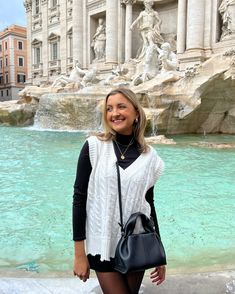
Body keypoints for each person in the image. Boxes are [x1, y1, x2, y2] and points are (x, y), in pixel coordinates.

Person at [72, 87, 166, 294]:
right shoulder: (94, 146)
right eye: (109, 109)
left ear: (136, 113)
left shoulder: (151, 157)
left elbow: (149, 204)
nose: (114, 113)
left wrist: (158, 251)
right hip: (101, 243)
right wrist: (79, 254)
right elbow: (79, 199)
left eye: (121, 106)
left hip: (137, 241)